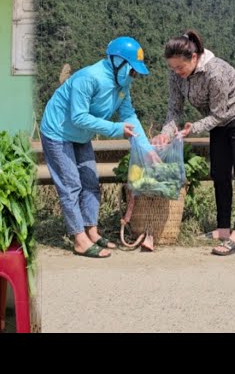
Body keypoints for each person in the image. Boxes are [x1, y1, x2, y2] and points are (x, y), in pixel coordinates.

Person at [40, 36, 154, 258]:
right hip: (58, 132)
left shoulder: (123, 85)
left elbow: (129, 115)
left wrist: (147, 149)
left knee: (91, 182)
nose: (133, 76)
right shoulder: (89, 78)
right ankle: (79, 238)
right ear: (117, 62)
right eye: (131, 71)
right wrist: (116, 129)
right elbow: (79, 117)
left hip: (81, 136)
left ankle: (92, 231)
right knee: (71, 184)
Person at [152, 30, 235, 256]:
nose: (176, 72)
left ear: (194, 58)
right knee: (219, 173)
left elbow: (219, 114)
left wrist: (193, 129)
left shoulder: (215, 72)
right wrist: (165, 134)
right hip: (217, 121)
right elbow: (174, 110)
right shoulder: (176, 74)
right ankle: (223, 228)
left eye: (180, 68)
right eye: (172, 68)